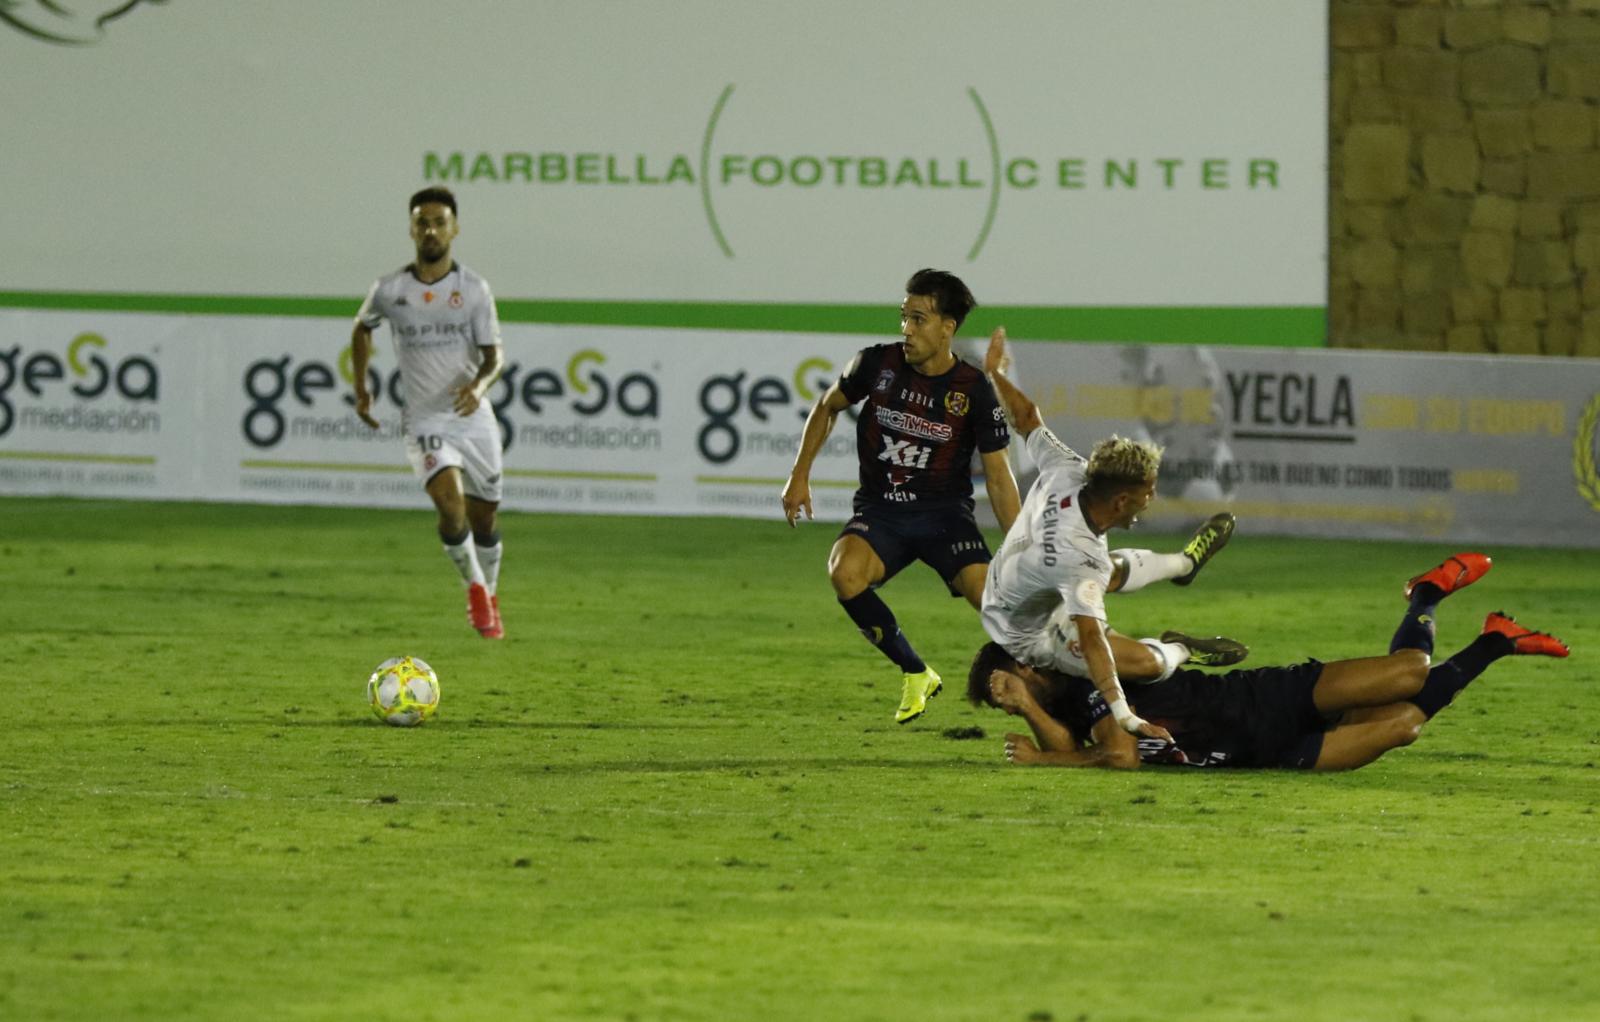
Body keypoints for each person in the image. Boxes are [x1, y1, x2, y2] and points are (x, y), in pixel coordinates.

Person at [967, 552, 1571, 770]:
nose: (1011, 692)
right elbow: (1076, 752)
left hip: (1265, 698)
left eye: (1008, 679)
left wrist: (1045, 756)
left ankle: (1427, 594)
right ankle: (1495, 640)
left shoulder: (1092, 675)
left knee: (1409, 672)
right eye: (1002, 696)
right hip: (1267, 754)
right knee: (1405, 724)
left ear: (1027, 661)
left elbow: (1114, 755)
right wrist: (1027, 717)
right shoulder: (1067, 721)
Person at [781, 269, 1022, 724]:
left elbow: (998, 477)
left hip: (944, 517)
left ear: (947, 327)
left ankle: (1056, 688)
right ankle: (915, 672)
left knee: (996, 603)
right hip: (882, 513)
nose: (906, 329)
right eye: (904, 318)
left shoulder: (973, 390)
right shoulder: (875, 364)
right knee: (844, 572)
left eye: (919, 319)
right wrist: (799, 475)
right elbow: (826, 407)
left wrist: (1023, 543)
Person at [979, 328, 1239, 742]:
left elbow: (1027, 419)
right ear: (1120, 501)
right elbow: (1093, 641)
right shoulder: (1081, 562)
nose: (1150, 501)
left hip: (1017, 586)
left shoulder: (1069, 468)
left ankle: (1184, 564)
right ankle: (1182, 648)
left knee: (1110, 571)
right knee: (1148, 665)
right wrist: (1127, 718)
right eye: (1146, 494)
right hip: (1034, 635)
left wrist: (996, 375)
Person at [350, 186, 507, 639]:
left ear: (454, 229)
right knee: (449, 504)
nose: (431, 230)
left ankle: (491, 591)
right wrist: (362, 390)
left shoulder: (473, 290)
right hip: (424, 420)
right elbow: (362, 328)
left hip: (472, 418)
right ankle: (475, 588)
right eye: (422, 222)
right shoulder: (390, 289)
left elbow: (494, 356)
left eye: (439, 222)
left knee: (485, 520)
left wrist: (479, 386)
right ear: (411, 229)